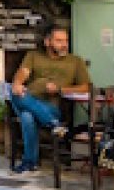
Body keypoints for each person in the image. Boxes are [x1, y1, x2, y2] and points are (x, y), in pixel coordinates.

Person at [9, 23, 90, 174]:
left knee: (26, 114)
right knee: (18, 99)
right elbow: (23, 72)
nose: (64, 44)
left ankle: (30, 162)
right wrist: (17, 83)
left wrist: (60, 89)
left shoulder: (75, 61)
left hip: (52, 107)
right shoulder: (34, 56)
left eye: (65, 41)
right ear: (47, 42)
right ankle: (53, 125)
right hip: (30, 98)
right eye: (59, 41)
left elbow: (86, 87)